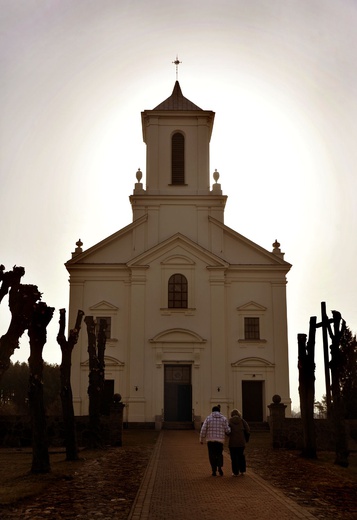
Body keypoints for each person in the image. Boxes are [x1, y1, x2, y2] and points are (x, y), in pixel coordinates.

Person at [200, 406, 231, 476]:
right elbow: (227, 430)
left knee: (211, 455)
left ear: (212, 411)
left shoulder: (208, 418)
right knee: (219, 454)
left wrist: (201, 439)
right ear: (219, 411)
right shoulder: (224, 418)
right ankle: (219, 467)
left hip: (210, 440)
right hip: (220, 441)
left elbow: (203, 429)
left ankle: (213, 470)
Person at [228, 409, 250, 476]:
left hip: (232, 443)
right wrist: (246, 439)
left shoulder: (229, 421)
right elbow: (248, 430)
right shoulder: (242, 421)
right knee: (241, 456)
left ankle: (235, 472)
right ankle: (242, 470)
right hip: (241, 442)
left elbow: (227, 431)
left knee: (233, 458)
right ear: (239, 414)